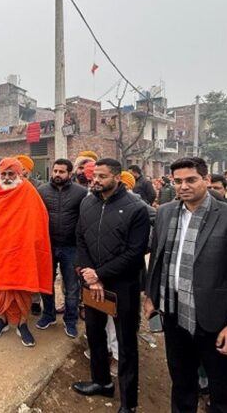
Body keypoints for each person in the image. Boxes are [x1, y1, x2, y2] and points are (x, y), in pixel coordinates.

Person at [144, 157, 227, 413]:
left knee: (222, 392)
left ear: (207, 180)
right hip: (174, 314)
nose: (183, 186)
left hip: (214, 320)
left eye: (191, 180)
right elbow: (157, 257)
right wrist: (152, 295)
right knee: (181, 383)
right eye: (178, 181)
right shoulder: (165, 212)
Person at [73, 159, 151, 413]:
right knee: (95, 335)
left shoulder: (136, 208)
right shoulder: (87, 202)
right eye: (94, 175)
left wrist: (100, 274)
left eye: (102, 176)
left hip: (122, 285)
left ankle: (129, 404)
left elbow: (135, 252)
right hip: (92, 282)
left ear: (117, 178)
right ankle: (102, 382)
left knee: (126, 344)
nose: (95, 180)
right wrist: (88, 274)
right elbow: (80, 238)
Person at [0, 157, 52, 347]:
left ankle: (22, 324)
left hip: (22, 250)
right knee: (0, 286)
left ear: (19, 174)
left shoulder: (28, 191)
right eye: (3, 174)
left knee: (22, 288)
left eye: (10, 174)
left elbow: (39, 218)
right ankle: (2, 320)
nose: (6, 177)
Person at [36, 158, 87, 338]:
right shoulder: (41, 191)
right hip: (47, 246)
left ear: (70, 173)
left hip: (71, 247)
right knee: (46, 284)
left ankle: (70, 320)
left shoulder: (81, 193)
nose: (57, 174)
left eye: (61, 172)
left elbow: (85, 221)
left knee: (72, 286)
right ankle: (48, 315)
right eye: (55, 171)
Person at [16, 153, 44, 315]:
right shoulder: (10, 186)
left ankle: (35, 301)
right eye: (18, 169)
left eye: (24, 169)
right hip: (16, 236)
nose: (21, 172)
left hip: (33, 234)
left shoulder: (39, 187)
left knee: (34, 269)